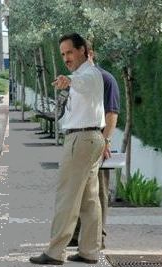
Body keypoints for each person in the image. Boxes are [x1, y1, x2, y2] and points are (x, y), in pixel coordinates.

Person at [29, 33, 105, 265]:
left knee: (67, 197)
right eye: (63, 54)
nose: (66, 57)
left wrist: (69, 81)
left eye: (69, 52)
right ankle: (89, 250)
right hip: (91, 138)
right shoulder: (84, 74)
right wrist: (70, 80)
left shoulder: (89, 74)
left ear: (83, 50)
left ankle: (54, 252)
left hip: (81, 140)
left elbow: (83, 84)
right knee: (89, 199)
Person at [68, 42, 120, 249]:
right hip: (79, 143)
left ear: (89, 54)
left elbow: (112, 113)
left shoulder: (105, 79)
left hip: (96, 142)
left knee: (97, 192)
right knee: (80, 190)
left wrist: (105, 141)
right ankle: (78, 234)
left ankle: (98, 237)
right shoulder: (78, 81)